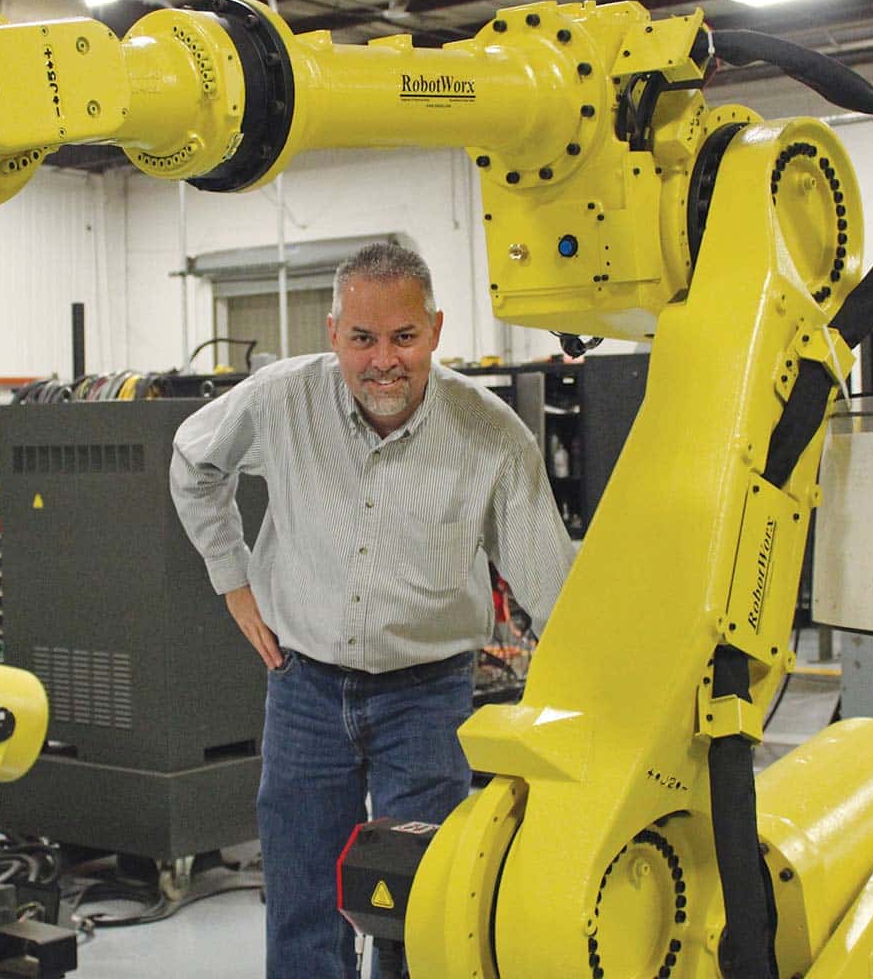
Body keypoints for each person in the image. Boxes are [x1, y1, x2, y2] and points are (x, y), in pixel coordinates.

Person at [169, 242, 574, 978]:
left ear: (436, 331)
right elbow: (194, 462)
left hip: (428, 700)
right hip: (304, 689)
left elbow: (553, 590)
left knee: (417, 912)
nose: (383, 360)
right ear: (333, 334)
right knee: (301, 904)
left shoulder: (490, 438)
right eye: (362, 339)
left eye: (404, 338)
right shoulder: (279, 399)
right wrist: (233, 580)